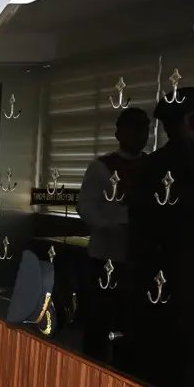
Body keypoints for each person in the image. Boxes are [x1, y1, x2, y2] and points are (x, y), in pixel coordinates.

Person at [122, 87, 194, 387]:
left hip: (154, 288)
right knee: (178, 379)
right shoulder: (193, 167)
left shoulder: (153, 165)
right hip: (184, 290)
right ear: (192, 122)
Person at [75, 107, 149, 362]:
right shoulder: (101, 167)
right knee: (99, 321)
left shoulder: (151, 167)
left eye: (144, 130)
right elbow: (86, 207)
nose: (139, 136)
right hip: (105, 256)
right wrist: (111, 227)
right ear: (119, 133)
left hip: (137, 259)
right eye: (133, 129)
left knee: (130, 323)